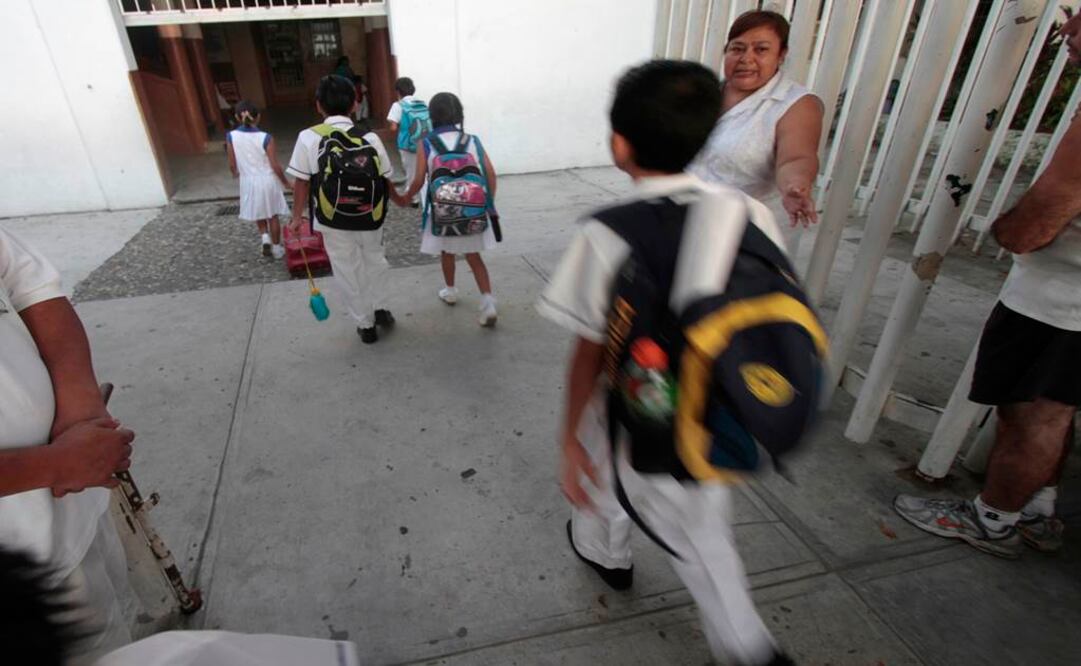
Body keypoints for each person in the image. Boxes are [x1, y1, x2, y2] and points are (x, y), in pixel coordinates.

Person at [536, 60, 793, 666]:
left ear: (619, 144)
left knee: (697, 532)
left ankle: (748, 646)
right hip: (723, 391)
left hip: (649, 401)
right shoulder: (748, 212)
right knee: (619, 470)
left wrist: (567, 436)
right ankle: (602, 548)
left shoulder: (609, 232)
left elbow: (589, 348)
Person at [893, 11, 1081, 559]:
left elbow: (1037, 224)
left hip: (1059, 302)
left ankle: (992, 519)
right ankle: (1034, 512)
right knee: (1058, 407)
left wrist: (1001, 228)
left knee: (1031, 411)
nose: (1066, 32)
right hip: (1068, 303)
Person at [0, 227, 135, 664]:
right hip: (18, 571)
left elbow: (30, 283)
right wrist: (50, 466)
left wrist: (82, 409)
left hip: (75, 500)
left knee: (114, 634)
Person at [690, 9, 823, 256]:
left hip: (747, 236)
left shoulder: (796, 104)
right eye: (737, 48)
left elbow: (796, 157)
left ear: (781, 55)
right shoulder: (706, 93)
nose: (746, 58)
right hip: (689, 220)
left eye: (761, 49)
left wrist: (796, 185)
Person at [286, 75, 396, 344]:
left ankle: (365, 324)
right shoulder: (370, 137)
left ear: (318, 106)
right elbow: (386, 177)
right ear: (355, 105)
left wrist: (297, 216)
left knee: (347, 267)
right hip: (370, 215)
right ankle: (381, 309)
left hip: (332, 218)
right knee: (375, 259)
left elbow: (301, 181)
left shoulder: (308, 137)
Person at [392, 92, 499, 327]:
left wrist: (405, 198)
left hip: (443, 213)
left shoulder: (427, 143)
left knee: (447, 252)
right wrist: (487, 204)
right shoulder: (472, 141)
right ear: (459, 114)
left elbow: (419, 179)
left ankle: (450, 290)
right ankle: (488, 301)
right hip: (473, 210)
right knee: (474, 256)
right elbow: (490, 174)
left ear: (432, 117)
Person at [226, 101, 291, 259]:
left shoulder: (231, 136)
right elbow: (275, 165)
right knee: (273, 215)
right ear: (258, 117)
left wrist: (235, 172)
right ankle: (276, 248)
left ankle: (264, 238)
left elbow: (232, 163)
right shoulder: (266, 138)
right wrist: (286, 183)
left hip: (248, 180)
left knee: (258, 211)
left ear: (236, 117)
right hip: (267, 180)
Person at [387, 77, 428, 206]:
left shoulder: (398, 105)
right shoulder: (422, 103)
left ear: (398, 91)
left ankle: (413, 199)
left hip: (407, 144)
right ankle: (426, 196)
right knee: (424, 170)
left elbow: (393, 127)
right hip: (424, 142)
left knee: (411, 171)